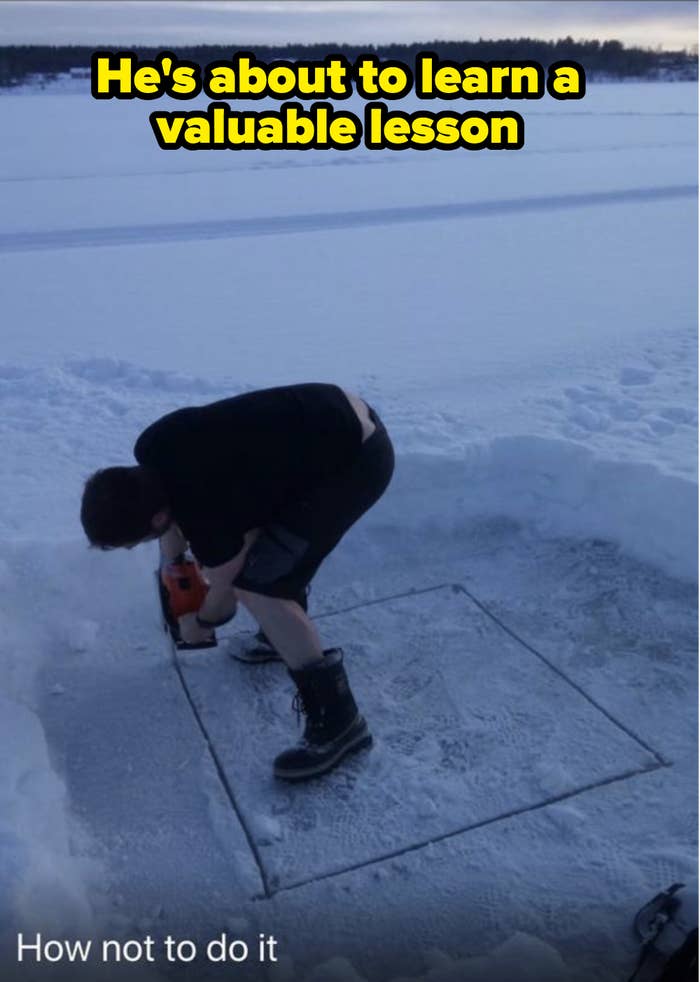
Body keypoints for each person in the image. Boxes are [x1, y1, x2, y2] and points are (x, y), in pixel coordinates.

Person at [80, 383, 395, 781]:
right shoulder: (152, 448)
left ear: (157, 520)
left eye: (136, 542)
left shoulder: (205, 515)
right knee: (267, 558)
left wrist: (200, 625)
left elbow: (226, 596)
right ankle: (277, 637)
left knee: (260, 585)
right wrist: (174, 564)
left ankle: (340, 723)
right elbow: (179, 517)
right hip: (329, 418)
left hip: (357, 461)